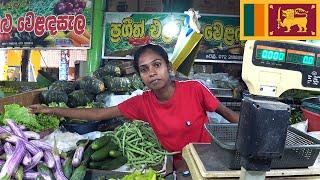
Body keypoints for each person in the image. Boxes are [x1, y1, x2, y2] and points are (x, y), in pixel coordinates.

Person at [29, 44, 239, 171]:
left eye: (157, 65)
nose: (152, 73)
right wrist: (52, 110)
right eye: (144, 69)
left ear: (169, 66)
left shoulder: (195, 89)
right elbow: (98, 113)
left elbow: (229, 115)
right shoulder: (142, 103)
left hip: (209, 165)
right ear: (140, 76)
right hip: (175, 168)